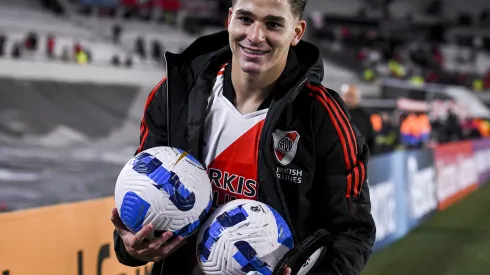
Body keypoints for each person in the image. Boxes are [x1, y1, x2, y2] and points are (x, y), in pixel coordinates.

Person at [111, 0, 375, 274]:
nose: (255, 36)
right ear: (229, 19)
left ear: (296, 32)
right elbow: (143, 187)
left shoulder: (322, 116)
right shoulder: (176, 95)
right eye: (246, 19)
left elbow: (353, 233)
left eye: (273, 24)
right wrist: (129, 246)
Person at [340, 84, 376, 153]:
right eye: (348, 95)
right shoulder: (336, 112)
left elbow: (371, 137)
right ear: (342, 96)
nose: (350, 98)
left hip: (360, 155)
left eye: (352, 96)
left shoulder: (364, 115)